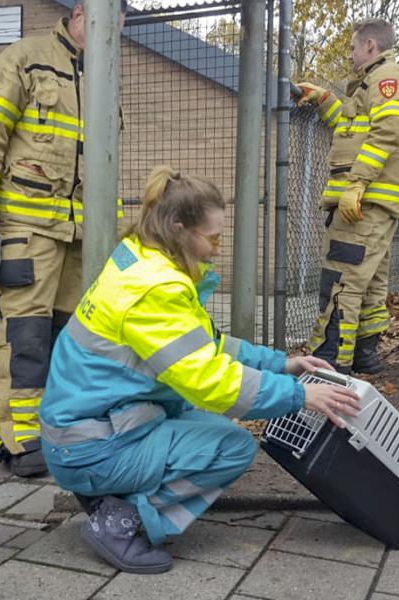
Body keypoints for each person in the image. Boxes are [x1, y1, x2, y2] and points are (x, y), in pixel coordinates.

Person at [39, 166, 362, 574]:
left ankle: (111, 494)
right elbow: (210, 382)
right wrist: (299, 395)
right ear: (179, 227)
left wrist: (281, 363)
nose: (218, 246)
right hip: (89, 445)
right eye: (213, 237)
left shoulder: (143, 261)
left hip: (90, 426)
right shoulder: (156, 290)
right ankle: (120, 523)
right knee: (233, 446)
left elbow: (204, 345)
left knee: (207, 422)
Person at [0, 2, 127, 476]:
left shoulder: (103, 79)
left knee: (71, 340)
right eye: (104, 29)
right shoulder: (25, 57)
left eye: (117, 33)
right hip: (27, 229)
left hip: (85, 236)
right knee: (26, 336)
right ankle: (22, 441)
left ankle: (60, 431)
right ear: (79, 14)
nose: (110, 42)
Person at [296, 19, 399, 376]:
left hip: (363, 203)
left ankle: (331, 364)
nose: (349, 55)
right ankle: (365, 355)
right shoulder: (375, 82)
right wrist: (323, 100)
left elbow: (387, 130)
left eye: (352, 48)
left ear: (369, 46)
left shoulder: (385, 77)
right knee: (369, 283)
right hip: (373, 203)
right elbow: (353, 128)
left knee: (340, 282)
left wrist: (356, 184)